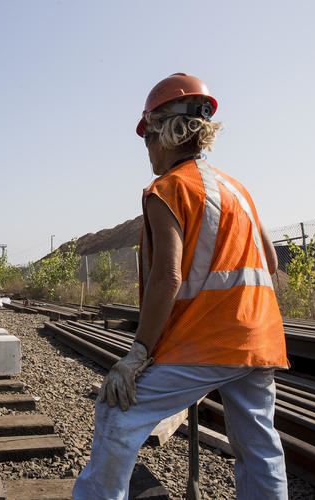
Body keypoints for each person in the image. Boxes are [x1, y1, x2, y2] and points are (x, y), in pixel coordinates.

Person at [73, 73, 289, 500]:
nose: (148, 151)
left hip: (208, 341)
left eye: (148, 139)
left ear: (166, 133)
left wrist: (138, 353)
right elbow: (272, 261)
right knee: (260, 448)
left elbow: (166, 277)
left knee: (117, 412)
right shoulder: (237, 189)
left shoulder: (167, 189)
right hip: (259, 339)